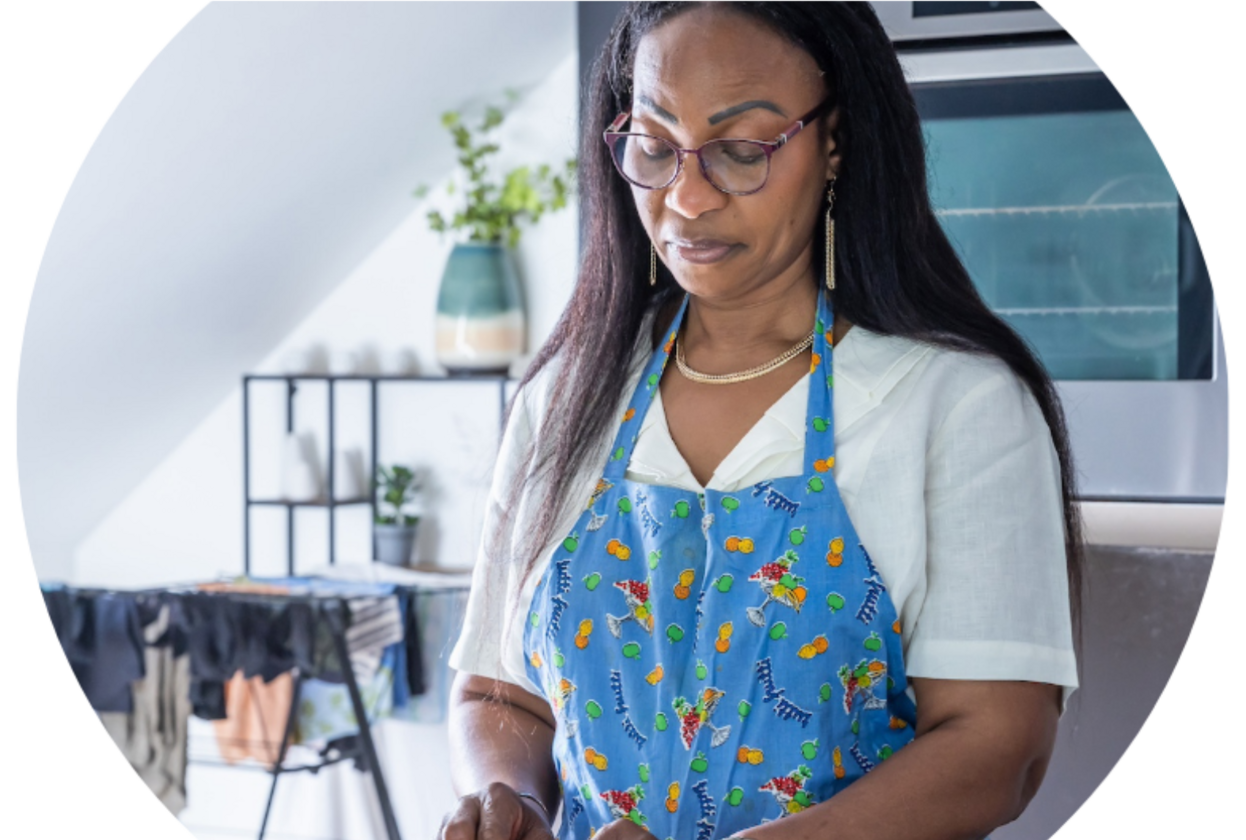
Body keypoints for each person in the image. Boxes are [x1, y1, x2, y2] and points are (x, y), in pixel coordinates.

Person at [440, 1, 1081, 838]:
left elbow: (998, 746)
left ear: (836, 143)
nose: (689, 197)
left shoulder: (955, 404)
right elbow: (501, 690)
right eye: (656, 146)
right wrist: (511, 801)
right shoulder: (567, 394)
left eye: (742, 150)